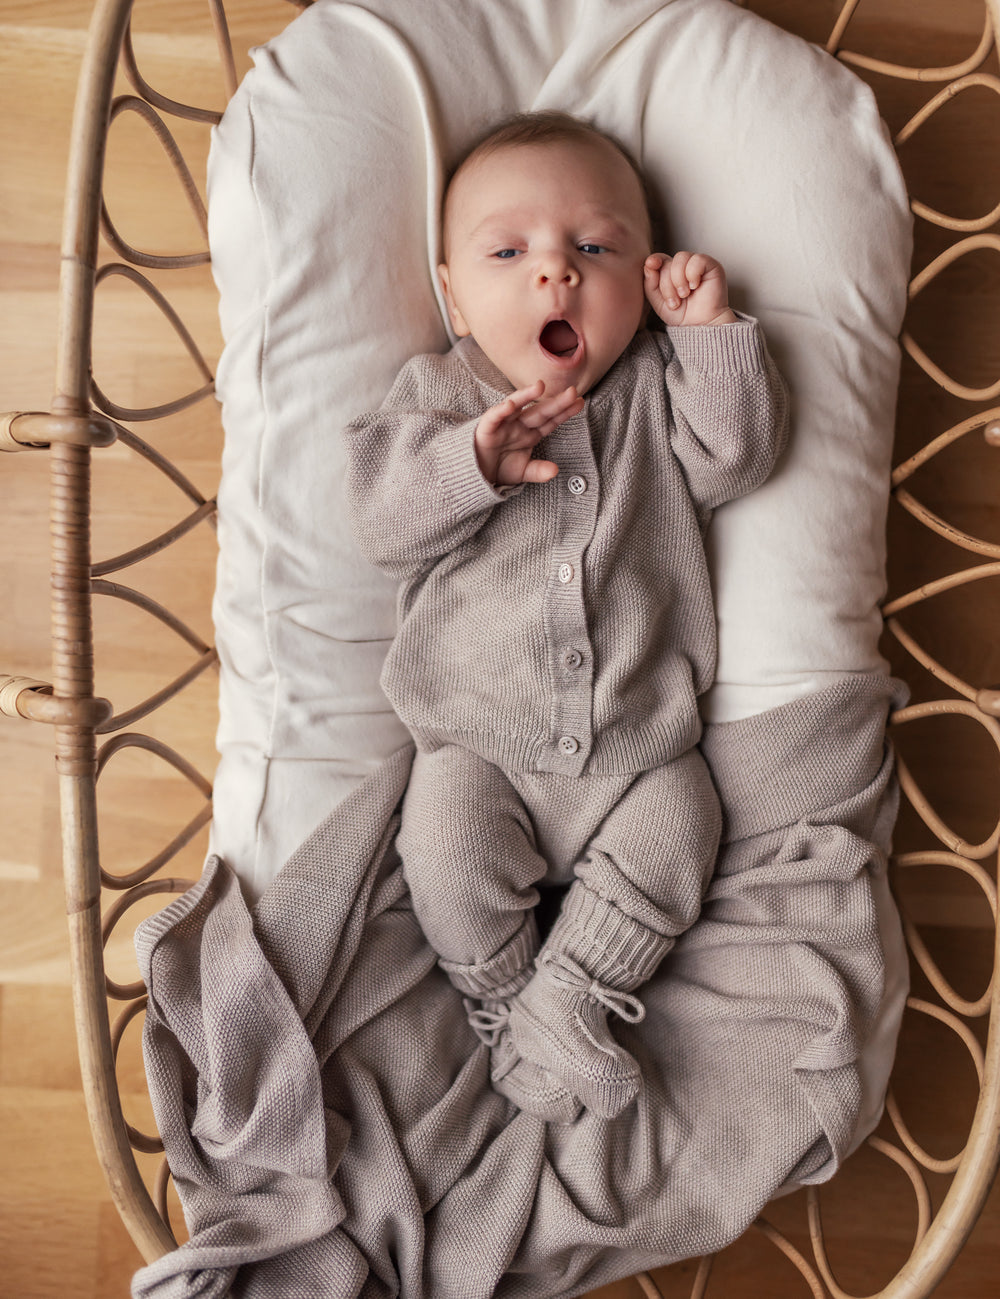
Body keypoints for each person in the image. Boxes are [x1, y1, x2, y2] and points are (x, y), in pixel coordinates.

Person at [344, 111, 788, 1122]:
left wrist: (709, 337)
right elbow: (382, 522)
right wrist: (468, 470)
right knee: (446, 856)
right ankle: (506, 1008)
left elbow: (741, 457)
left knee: (685, 832)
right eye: (509, 252)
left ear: (643, 275)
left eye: (594, 248)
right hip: (477, 745)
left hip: (640, 744)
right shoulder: (440, 396)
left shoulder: (654, 393)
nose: (555, 274)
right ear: (453, 292)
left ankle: (571, 997)